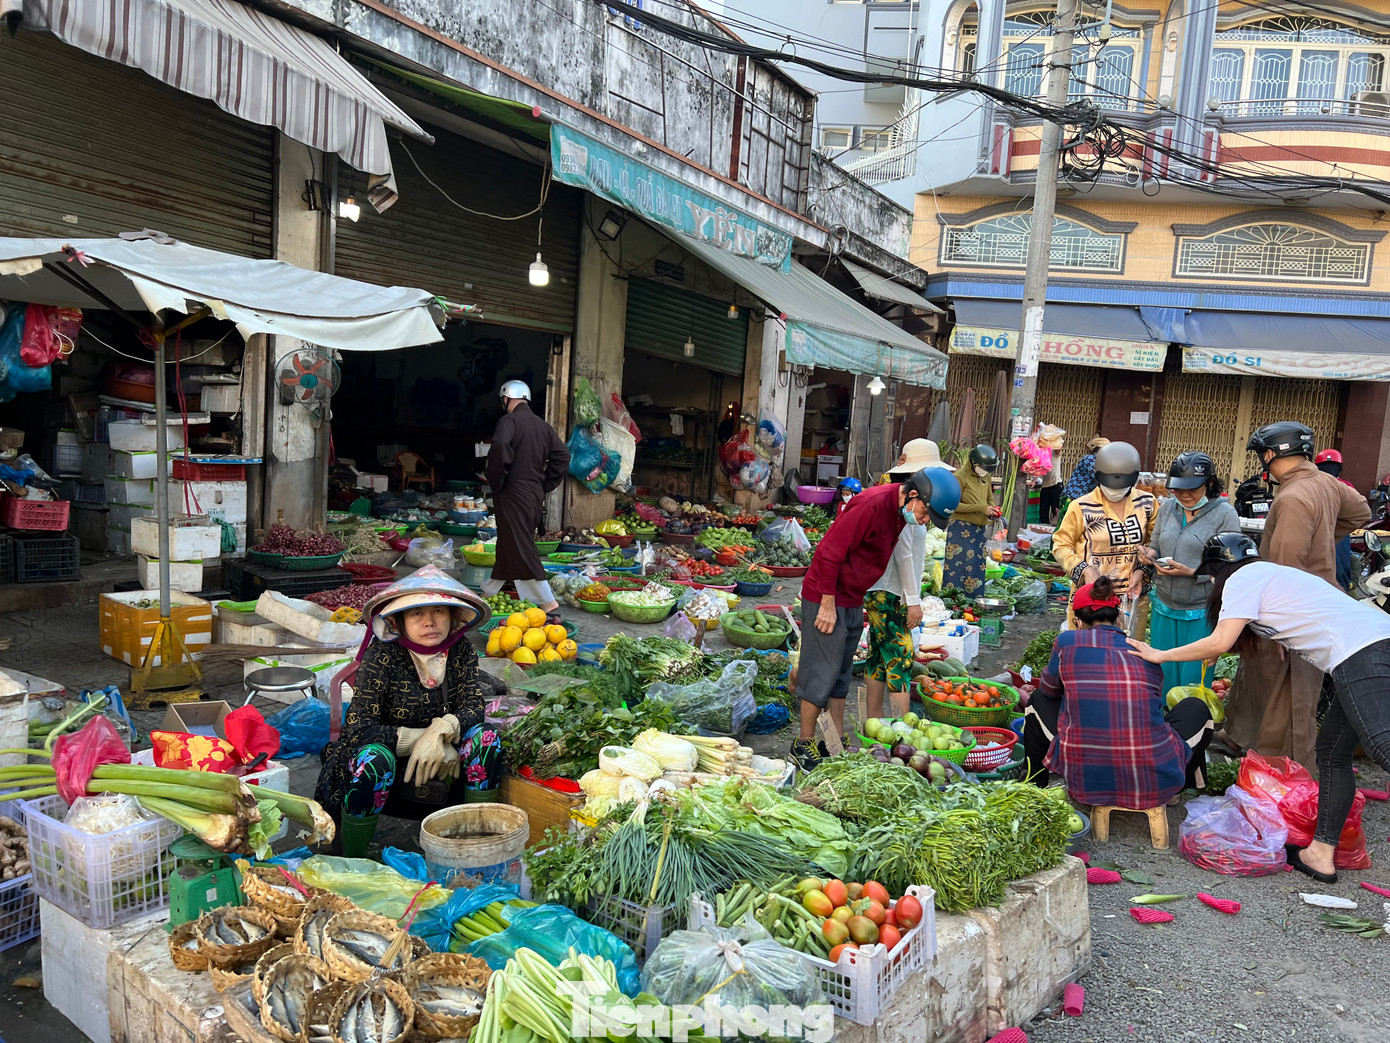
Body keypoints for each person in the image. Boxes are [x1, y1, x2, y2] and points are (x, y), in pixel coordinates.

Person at [1128, 533, 1390, 884]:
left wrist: (1159, 654)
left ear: (1218, 570)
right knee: (1331, 753)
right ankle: (1320, 854)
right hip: (1364, 648)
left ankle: (1322, 851)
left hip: (1363, 652)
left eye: (1210, 576)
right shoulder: (1269, 575)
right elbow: (1238, 639)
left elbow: (1220, 641)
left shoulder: (1242, 579)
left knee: (1381, 745)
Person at [315, 566, 501, 856]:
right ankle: (352, 859)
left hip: (445, 765)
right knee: (373, 759)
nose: (430, 622)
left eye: (439, 611)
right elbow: (361, 728)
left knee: (486, 739)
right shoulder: (383, 654)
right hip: (391, 763)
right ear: (399, 621)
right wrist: (425, 740)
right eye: (417, 613)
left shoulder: (461, 649)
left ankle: (477, 841)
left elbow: (473, 706)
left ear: (453, 617)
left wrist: (442, 732)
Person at [791, 466, 961, 771]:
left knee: (841, 673)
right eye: (924, 513)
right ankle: (802, 743)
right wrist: (827, 604)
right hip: (826, 594)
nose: (923, 521)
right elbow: (829, 551)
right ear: (912, 495)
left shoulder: (900, 513)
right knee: (821, 671)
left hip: (853, 596)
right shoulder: (871, 504)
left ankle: (834, 741)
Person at [1221, 422, 1369, 765]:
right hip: (1317, 602)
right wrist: (1323, 539)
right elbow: (1361, 511)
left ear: (1271, 454)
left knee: (1288, 694)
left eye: (1263, 456)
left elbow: (1285, 571)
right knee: (1257, 674)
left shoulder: (1291, 497)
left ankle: (1283, 771)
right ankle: (1240, 737)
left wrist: (1282, 631)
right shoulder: (1326, 483)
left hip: (1293, 612)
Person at [1022, 576, 1213, 806]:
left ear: (1078, 621)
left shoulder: (1066, 642)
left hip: (1085, 783)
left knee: (1036, 700)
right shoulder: (1145, 653)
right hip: (1154, 783)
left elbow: (1049, 691)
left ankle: (1035, 788)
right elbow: (1152, 706)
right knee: (1197, 708)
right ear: (1120, 617)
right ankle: (1179, 787)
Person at [1144, 452, 1240, 696]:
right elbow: (1156, 543)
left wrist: (1191, 572)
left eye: (1192, 489)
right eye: (1178, 489)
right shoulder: (1167, 508)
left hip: (1201, 610)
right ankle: (1161, 727)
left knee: (1192, 679)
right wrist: (1148, 555)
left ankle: (1188, 730)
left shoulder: (1225, 515)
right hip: (1164, 605)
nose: (1185, 495)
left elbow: (1229, 568)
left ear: (1209, 483)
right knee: (1162, 671)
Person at [483, 380, 571, 621]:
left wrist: (497, 479)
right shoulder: (542, 426)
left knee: (520, 542)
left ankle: (547, 602)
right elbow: (562, 456)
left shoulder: (508, 421)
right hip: (533, 494)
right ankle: (491, 589)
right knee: (510, 539)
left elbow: (500, 445)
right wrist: (544, 484)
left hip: (512, 491)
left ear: (506, 398)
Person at [1052, 441, 1157, 633]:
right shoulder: (1081, 507)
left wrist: (1141, 571)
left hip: (1131, 599)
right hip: (1091, 602)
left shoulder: (1148, 503)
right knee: (1088, 657)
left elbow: (1155, 543)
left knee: (1127, 655)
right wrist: (1085, 570)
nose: (1115, 490)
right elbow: (1061, 544)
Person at [943, 444, 1001, 595]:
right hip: (960, 529)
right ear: (973, 463)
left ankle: (974, 601)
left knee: (976, 567)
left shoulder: (986, 476)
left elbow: (989, 498)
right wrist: (981, 508)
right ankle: (954, 601)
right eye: (983, 467)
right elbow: (953, 505)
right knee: (957, 569)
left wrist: (992, 509)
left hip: (979, 531)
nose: (985, 471)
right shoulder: (959, 477)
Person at [1316, 449, 1357, 591]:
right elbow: (1359, 513)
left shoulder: (1311, 485)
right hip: (1338, 533)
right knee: (1340, 568)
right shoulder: (1346, 486)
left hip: (1314, 530)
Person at [1062, 436, 1110, 505]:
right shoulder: (1089, 459)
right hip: (1073, 495)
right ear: (1099, 449)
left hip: (1083, 497)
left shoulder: (1102, 462)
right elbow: (1097, 475)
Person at [1036, 426, 1067, 525]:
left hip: (1056, 486)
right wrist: (1033, 481)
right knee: (1043, 514)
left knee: (1056, 514)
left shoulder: (1055, 451)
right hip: (1045, 487)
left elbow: (1059, 446)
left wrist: (1053, 434)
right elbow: (1039, 468)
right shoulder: (1041, 452)